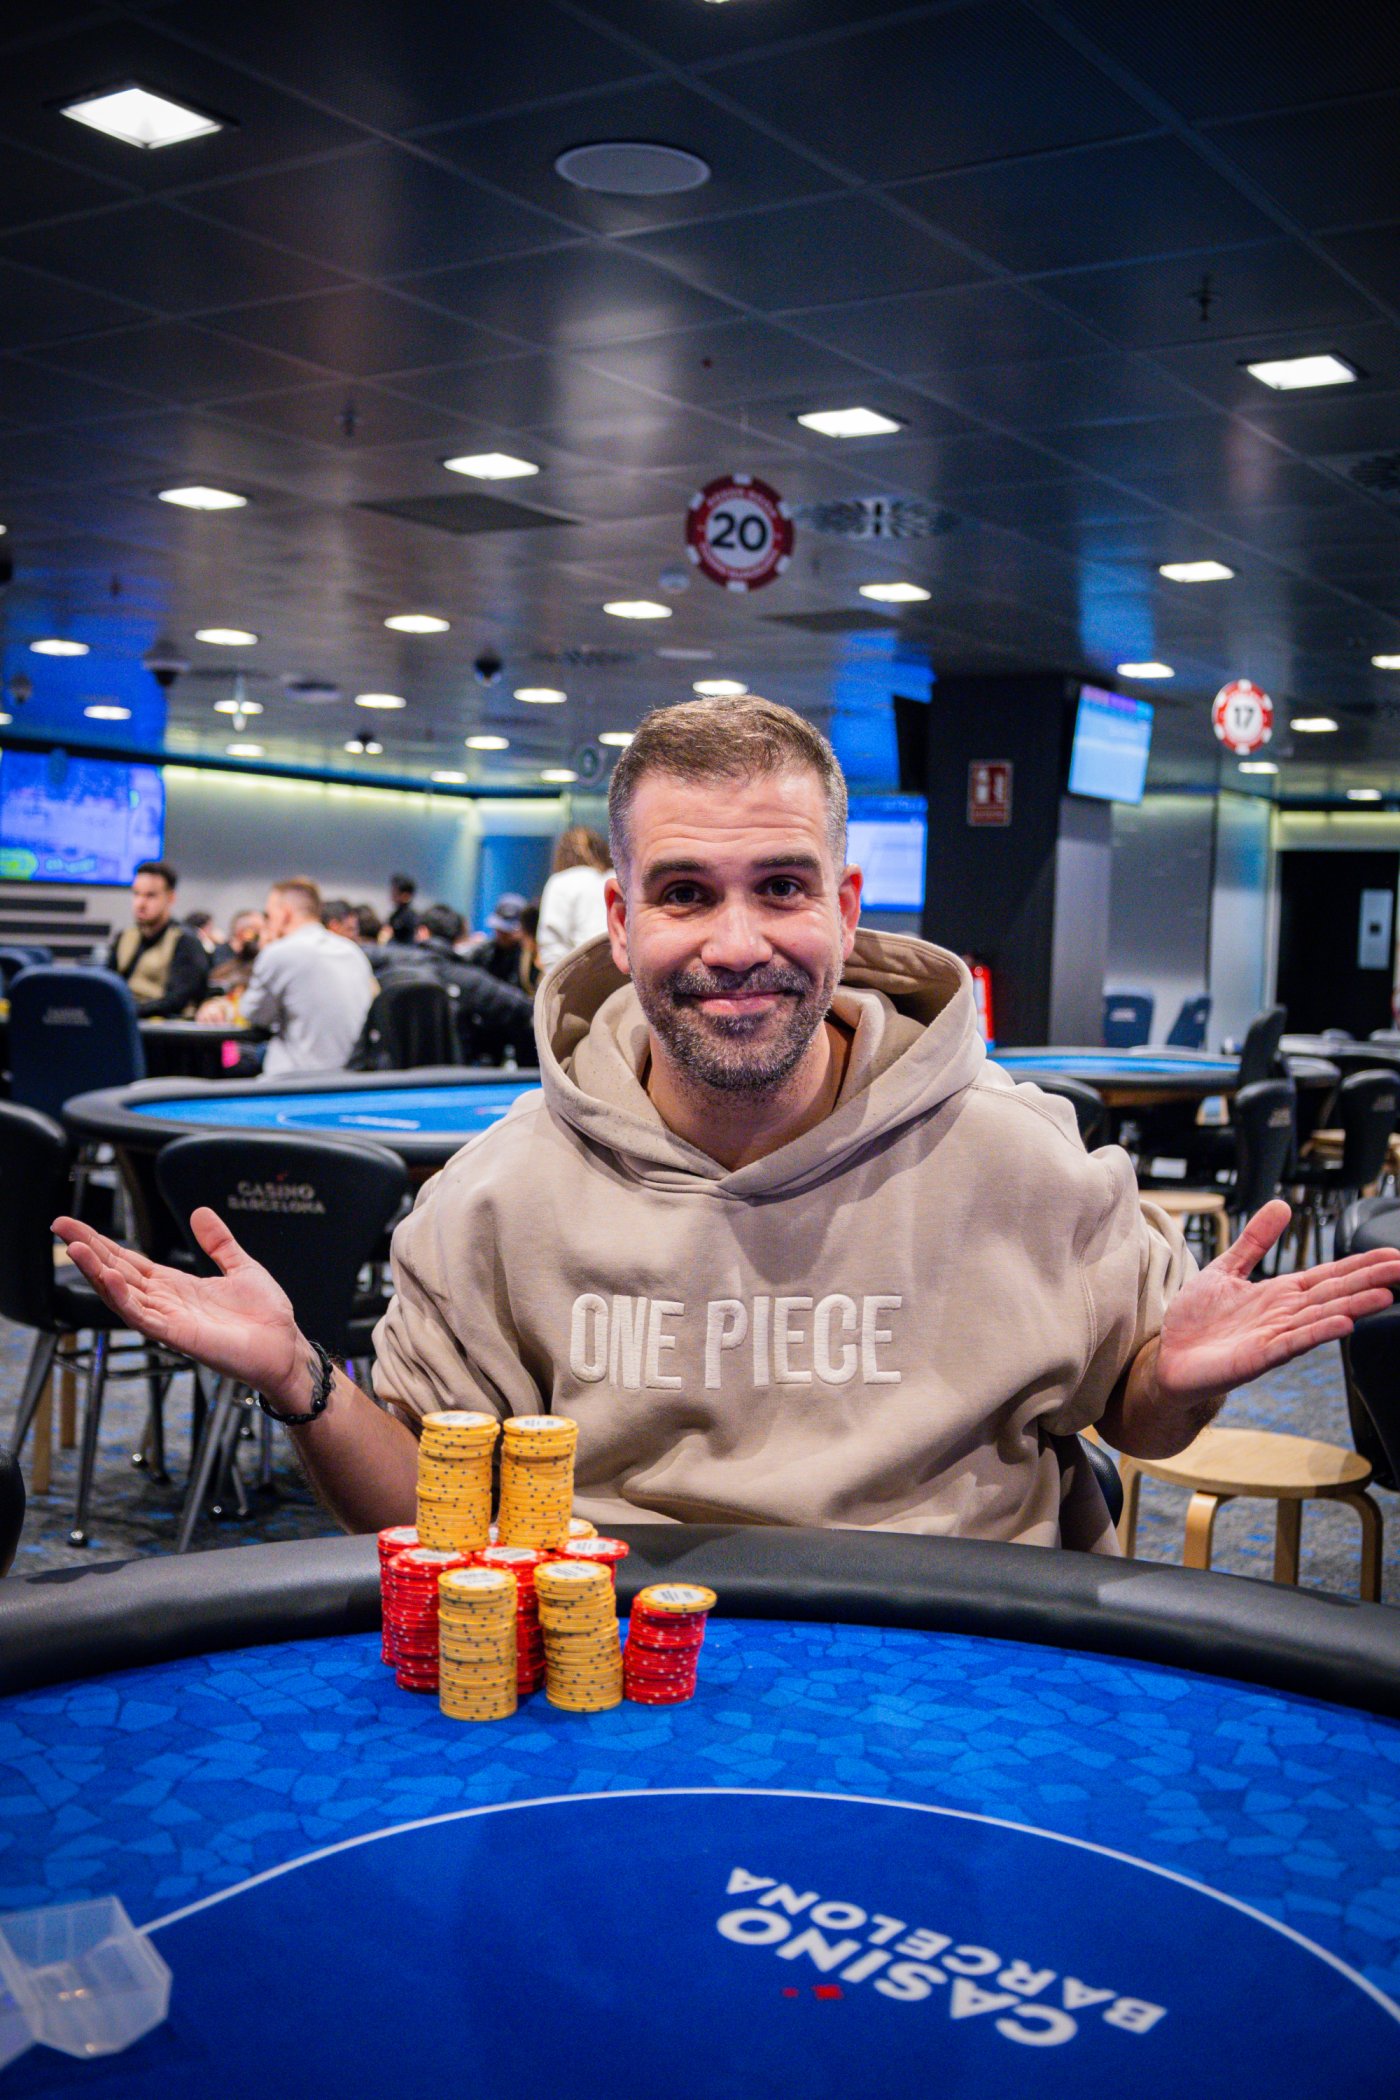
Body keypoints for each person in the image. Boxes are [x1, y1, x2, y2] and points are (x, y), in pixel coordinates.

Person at [56, 698, 1400, 1545]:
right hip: (617, 1683)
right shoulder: (492, 1199)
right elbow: (423, 1511)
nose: (738, 942)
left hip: (976, 1675)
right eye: (687, 892)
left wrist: (1174, 1380)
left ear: (846, 909)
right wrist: (301, 1380)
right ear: (621, 919)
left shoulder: (1021, 1155)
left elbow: (1141, 1424)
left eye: (782, 887)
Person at [237, 876, 376, 1076]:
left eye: (269, 915)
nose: (268, 923)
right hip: (350, 1078)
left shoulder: (278, 953)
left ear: (284, 914)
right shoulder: (353, 952)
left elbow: (253, 1015)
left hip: (293, 1081)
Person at [413, 903, 536, 1065]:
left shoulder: (394, 963)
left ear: (422, 932)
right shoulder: (470, 970)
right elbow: (519, 1005)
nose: (501, 935)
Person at [106, 860, 208, 1018]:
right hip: (124, 1021)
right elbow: (108, 985)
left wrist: (126, 1011)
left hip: (164, 1028)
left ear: (170, 898)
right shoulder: (125, 937)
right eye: (136, 894)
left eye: (150, 895)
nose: (140, 903)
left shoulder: (185, 941)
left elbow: (177, 1002)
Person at [536, 827, 611, 971]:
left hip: (582, 973)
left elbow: (551, 944)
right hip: (624, 972)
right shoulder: (617, 878)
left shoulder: (560, 882)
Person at [471, 893, 532, 990]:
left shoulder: (529, 957)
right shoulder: (484, 952)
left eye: (507, 932)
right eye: (500, 930)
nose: (502, 935)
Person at [387, 874, 419, 945]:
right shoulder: (395, 915)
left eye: (395, 892)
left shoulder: (411, 918)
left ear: (406, 895)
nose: (392, 895)